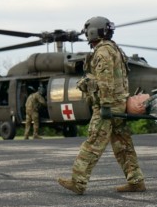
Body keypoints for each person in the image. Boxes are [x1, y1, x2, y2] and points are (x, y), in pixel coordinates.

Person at [57, 16, 145, 195]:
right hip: (119, 104)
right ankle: (136, 180)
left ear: (92, 32)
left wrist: (104, 105)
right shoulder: (115, 49)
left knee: (93, 142)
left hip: (109, 106)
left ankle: (78, 181)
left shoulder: (102, 52)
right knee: (123, 145)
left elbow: (105, 81)